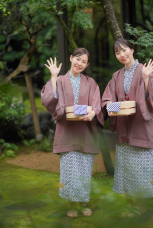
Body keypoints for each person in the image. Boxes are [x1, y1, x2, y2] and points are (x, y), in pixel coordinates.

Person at [102, 39, 153, 217]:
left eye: (124, 50)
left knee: (141, 170)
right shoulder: (116, 76)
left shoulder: (145, 71)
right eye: (117, 53)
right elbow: (107, 100)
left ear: (132, 49)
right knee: (125, 169)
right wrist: (112, 109)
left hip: (141, 129)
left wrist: (146, 78)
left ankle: (141, 206)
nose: (122, 55)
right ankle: (129, 205)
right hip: (124, 129)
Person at [41, 48, 103, 217]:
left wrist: (93, 113)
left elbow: (97, 103)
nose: (80, 64)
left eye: (84, 61)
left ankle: (83, 203)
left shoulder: (91, 83)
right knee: (70, 170)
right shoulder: (60, 80)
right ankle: (71, 204)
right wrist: (53, 76)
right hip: (66, 132)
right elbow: (48, 100)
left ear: (87, 64)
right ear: (71, 58)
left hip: (85, 132)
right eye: (77, 59)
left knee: (84, 169)